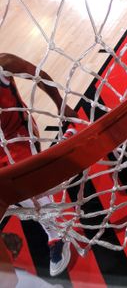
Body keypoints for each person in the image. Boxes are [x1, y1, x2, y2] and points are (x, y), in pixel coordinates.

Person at [0, 53, 76, 276]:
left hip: (18, 136)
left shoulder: (4, 63)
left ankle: (57, 234)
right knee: (14, 195)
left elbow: (40, 76)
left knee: (30, 190)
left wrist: (61, 105)